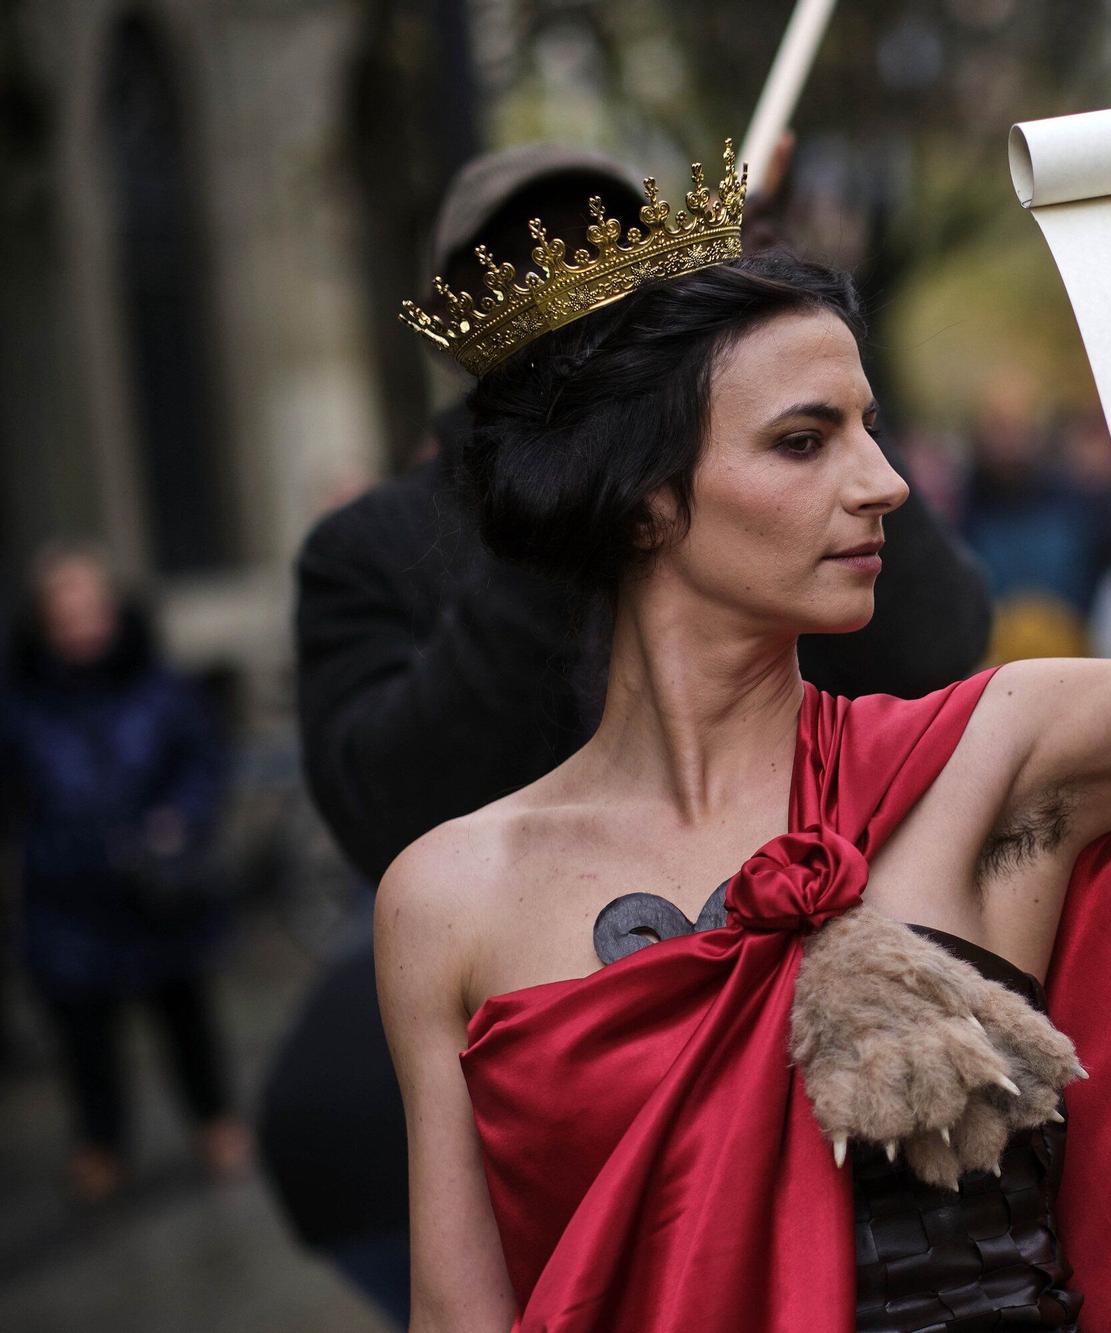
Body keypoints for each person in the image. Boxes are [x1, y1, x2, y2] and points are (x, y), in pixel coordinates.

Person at [377, 49, 1111, 1330]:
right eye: (805, 440)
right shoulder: (446, 901)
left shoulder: (995, 754)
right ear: (639, 498)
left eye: (871, 427)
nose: (886, 482)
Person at [260, 142, 994, 1321]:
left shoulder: (740, 479)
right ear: (462, 316)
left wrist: (787, 370)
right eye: (523, 260)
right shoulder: (368, 549)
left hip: (784, 1092)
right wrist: (570, 500)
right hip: (514, 1123)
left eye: (604, 241)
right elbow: (390, 809)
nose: (575, 278)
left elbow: (939, 646)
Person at [0, 541, 248, 1201]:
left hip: (155, 887)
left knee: (184, 1013)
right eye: (65, 615)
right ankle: (101, 1143)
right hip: (67, 892)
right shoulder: (24, 701)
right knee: (84, 1034)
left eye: (91, 609)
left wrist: (179, 820)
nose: (81, 627)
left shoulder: (159, 687)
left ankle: (214, 1118)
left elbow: (203, 763)